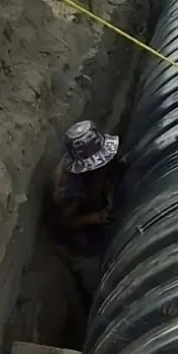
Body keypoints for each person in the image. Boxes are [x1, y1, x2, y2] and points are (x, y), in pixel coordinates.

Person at [50, 120, 122, 295]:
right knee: (95, 278)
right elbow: (64, 222)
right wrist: (97, 217)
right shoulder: (67, 188)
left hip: (97, 207)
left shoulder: (102, 156)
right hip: (81, 237)